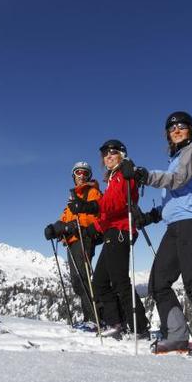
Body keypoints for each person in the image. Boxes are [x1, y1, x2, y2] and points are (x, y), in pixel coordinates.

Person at [125, 111, 192, 358]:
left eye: (182, 126)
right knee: (158, 283)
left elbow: (179, 180)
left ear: (191, 129)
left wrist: (145, 175)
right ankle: (177, 336)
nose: (177, 130)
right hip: (175, 227)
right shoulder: (176, 158)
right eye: (172, 128)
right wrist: (149, 217)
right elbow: (173, 202)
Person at [68, 139, 149, 339]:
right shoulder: (113, 177)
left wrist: (89, 207)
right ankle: (116, 323)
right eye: (105, 154)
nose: (108, 157)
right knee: (100, 282)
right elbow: (107, 213)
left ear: (122, 154)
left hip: (121, 232)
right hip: (111, 232)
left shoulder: (125, 173)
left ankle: (139, 327)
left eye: (113, 152)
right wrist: (92, 229)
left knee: (120, 282)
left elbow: (116, 204)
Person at [44, 162, 102, 329]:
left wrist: (76, 227)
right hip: (72, 241)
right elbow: (65, 218)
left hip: (84, 238)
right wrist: (55, 229)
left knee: (83, 279)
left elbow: (96, 215)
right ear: (74, 175)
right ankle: (90, 318)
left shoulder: (92, 192)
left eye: (85, 172)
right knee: (77, 282)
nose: (82, 175)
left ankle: (95, 319)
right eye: (78, 172)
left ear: (89, 176)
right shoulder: (72, 197)